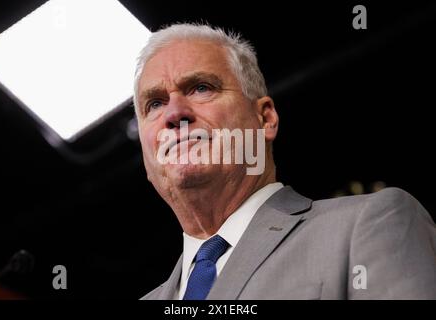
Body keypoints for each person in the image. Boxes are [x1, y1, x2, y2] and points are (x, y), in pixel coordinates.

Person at [133, 23, 436, 299]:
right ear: (148, 161)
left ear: (264, 118)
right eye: (155, 103)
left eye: (201, 88)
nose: (174, 115)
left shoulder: (367, 224)